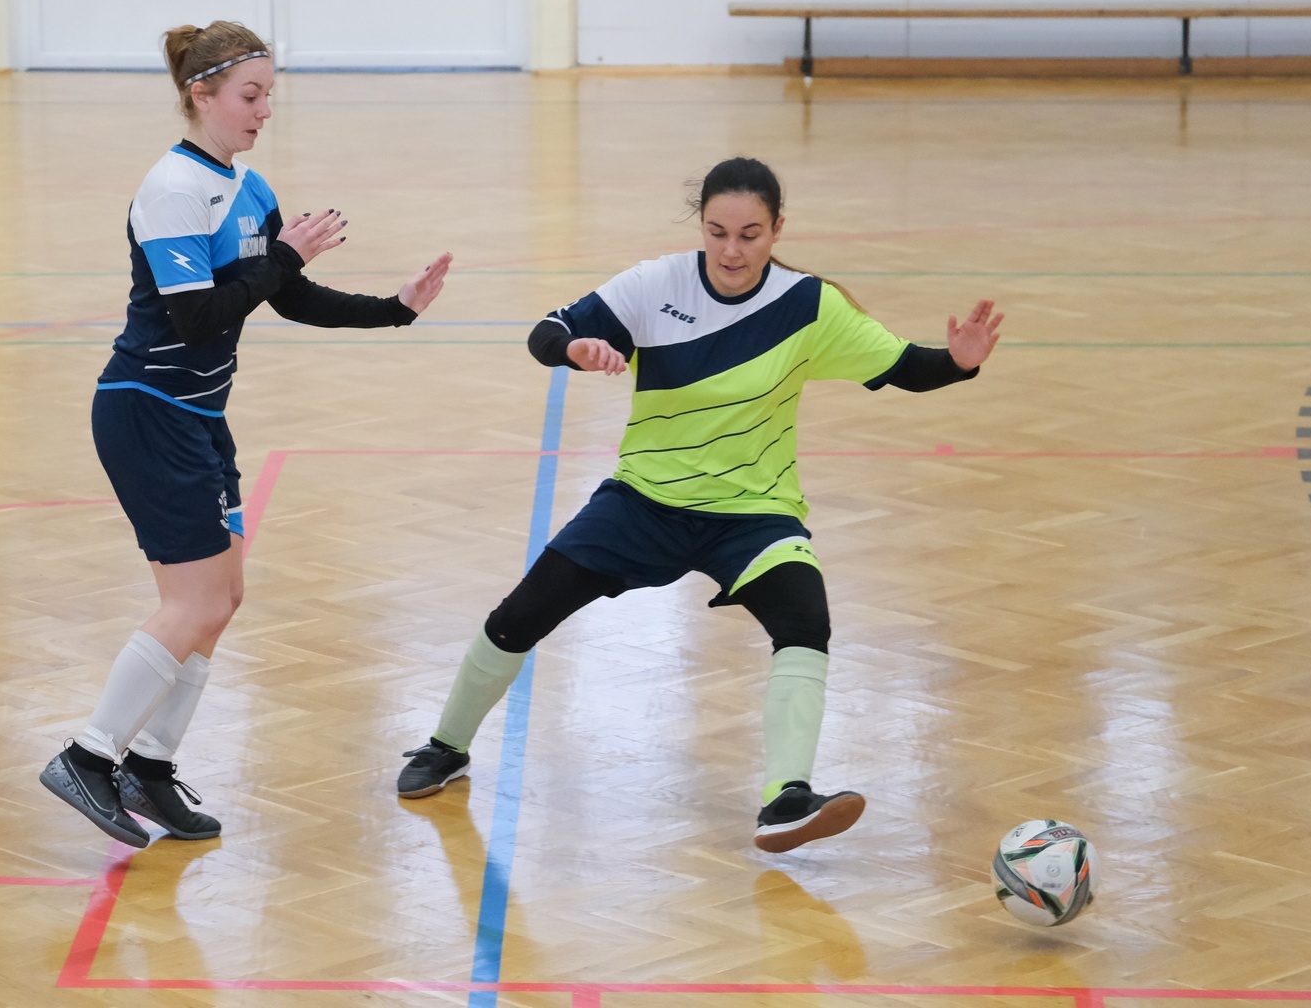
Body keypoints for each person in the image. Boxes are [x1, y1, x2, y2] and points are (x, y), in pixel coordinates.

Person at [396, 157, 1001, 854]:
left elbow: (907, 368)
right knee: (521, 615)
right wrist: (576, 348)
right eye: (717, 232)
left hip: (753, 512)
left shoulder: (809, 305)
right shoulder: (657, 284)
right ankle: (446, 746)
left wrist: (958, 361)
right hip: (643, 502)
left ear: (777, 229)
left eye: (749, 234)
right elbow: (546, 332)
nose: (731, 251)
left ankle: (787, 798)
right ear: (702, 226)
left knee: (805, 622)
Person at [39, 20, 453, 849]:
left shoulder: (250, 187)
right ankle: (87, 757)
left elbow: (286, 297)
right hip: (148, 410)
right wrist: (284, 259)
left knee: (222, 600)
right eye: (251, 95)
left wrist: (396, 309)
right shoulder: (172, 189)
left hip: (198, 417)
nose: (265, 111)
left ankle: (150, 766)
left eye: (269, 95)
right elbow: (198, 319)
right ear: (203, 94)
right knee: (192, 602)